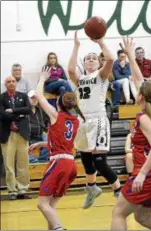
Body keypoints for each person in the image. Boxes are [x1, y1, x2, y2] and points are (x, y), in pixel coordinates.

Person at [111, 38, 151, 230]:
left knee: (119, 213)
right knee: (143, 217)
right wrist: (130, 54)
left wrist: (142, 174)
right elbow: (139, 80)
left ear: (140, 96)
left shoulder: (144, 117)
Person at [68, 31, 122, 209]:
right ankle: (91, 188)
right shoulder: (80, 79)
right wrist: (76, 46)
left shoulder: (101, 75)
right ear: (84, 64)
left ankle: (118, 191)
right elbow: (69, 70)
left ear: (99, 63)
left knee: (99, 161)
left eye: (93, 58)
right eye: (87, 58)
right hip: (83, 122)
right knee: (85, 159)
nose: (90, 59)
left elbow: (111, 59)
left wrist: (100, 42)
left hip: (98, 119)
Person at [31, 67, 84, 230]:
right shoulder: (77, 121)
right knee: (50, 206)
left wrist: (42, 78)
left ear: (59, 103)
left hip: (58, 164)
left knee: (42, 204)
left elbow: (39, 96)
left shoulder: (55, 115)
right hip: (70, 164)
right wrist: (42, 144)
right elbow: (63, 141)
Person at [0, 76, 31, 200]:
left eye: (13, 81)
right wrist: (19, 114)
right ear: (5, 84)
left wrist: (12, 110)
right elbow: (2, 114)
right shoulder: (1, 97)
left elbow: (28, 109)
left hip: (22, 133)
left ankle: (22, 189)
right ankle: (12, 190)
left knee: (23, 163)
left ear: (16, 83)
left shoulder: (23, 96)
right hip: (7, 134)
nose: (11, 83)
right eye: (9, 82)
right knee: (9, 164)